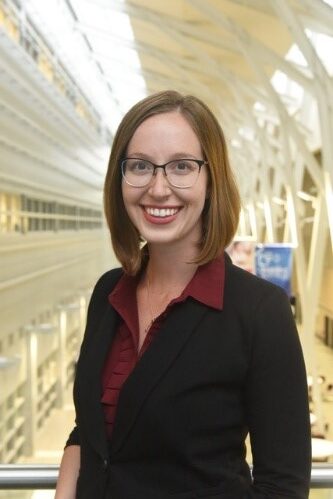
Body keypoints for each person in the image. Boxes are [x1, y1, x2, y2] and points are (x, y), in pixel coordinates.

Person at [55, 90, 311, 499]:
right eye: (139, 166)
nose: (158, 188)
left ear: (212, 181)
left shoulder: (260, 311)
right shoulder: (108, 292)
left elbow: (283, 486)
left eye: (181, 167)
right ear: (119, 179)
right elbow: (89, 431)